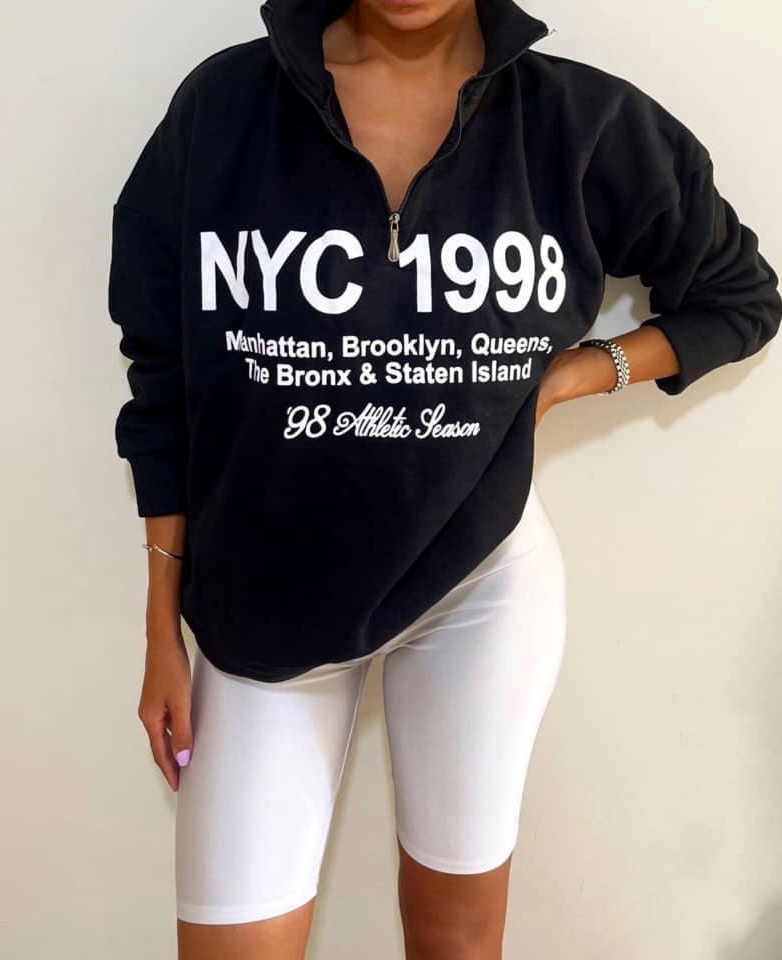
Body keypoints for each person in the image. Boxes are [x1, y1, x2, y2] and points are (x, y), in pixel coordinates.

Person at [107, 0, 782, 956]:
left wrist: (572, 375)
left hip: (480, 586)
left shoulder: (579, 124)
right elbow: (162, 372)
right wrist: (159, 628)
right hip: (262, 599)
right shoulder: (223, 109)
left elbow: (739, 297)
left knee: (456, 944)